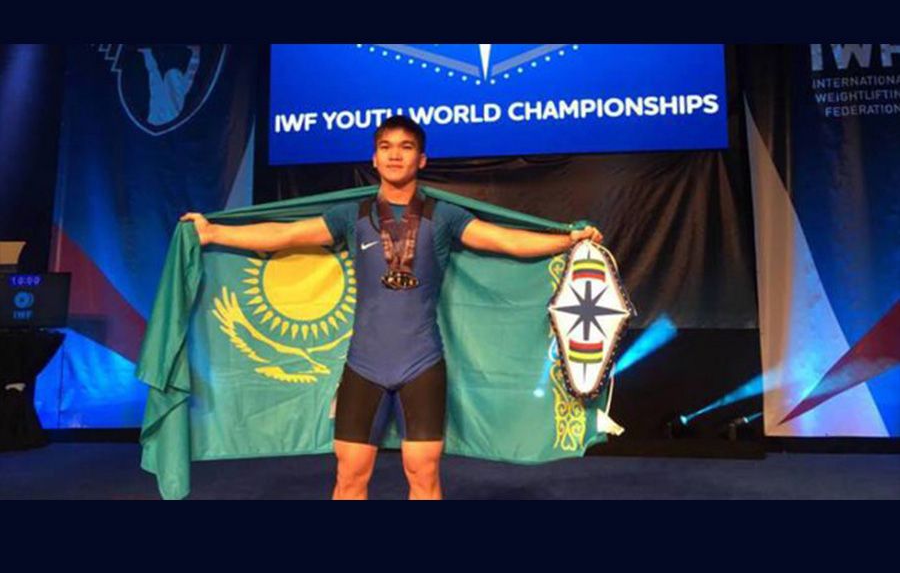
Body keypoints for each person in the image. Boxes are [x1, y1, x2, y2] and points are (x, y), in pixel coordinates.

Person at [181, 115, 602, 500]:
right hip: (363, 367)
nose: (395, 155)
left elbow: (505, 240)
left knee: (424, 476)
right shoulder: (352, 215)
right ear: (374, 158)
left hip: (422, 365)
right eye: (385, 147)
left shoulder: (445, 216)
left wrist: (568, 241)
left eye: (405, 147)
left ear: (422, 159)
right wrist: (213, 232)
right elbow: (284, 235)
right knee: (350, 477)